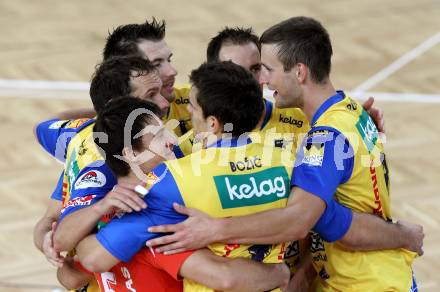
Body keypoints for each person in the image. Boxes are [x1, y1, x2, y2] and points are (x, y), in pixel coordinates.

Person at [145, 18, 424, 292]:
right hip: (361, 274)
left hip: (363, 282)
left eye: (264, 69)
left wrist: (214, 230)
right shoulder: (347, 109)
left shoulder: (324, 136)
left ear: (299, 72)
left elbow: (299, 221)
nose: (260, 81)